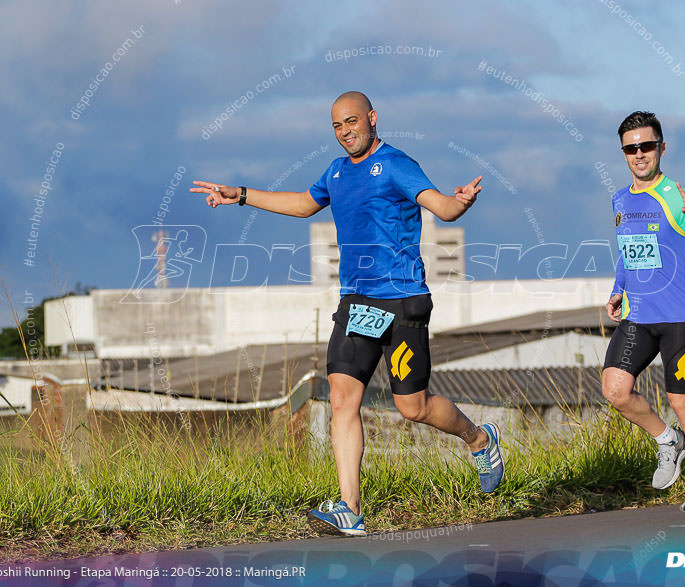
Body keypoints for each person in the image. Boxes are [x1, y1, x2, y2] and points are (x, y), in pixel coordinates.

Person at [190, 91, 504, 536]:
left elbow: (443, 208)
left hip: (402, 301)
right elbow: (302, 204)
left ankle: (479, 439)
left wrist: (462, 202)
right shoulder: (336, 173)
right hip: (358, 302)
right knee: (342, 397)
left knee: (412, 408)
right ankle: (349, 508)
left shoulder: (396, 164)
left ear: (373, 119)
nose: (345, 132)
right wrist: (239, 194)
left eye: (352, 121)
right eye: (337, 126)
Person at [602, 111, 685, 511]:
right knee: (615, 390)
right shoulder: (620, 198)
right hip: (638, 314)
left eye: (647, 145)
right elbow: (628, 253)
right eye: (631, 148)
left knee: (682, 403)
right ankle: (667, 439)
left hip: (680, 315)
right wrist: (617, 290)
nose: (640, 154)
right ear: (624, 153)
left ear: (662, 147)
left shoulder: (678, 195)